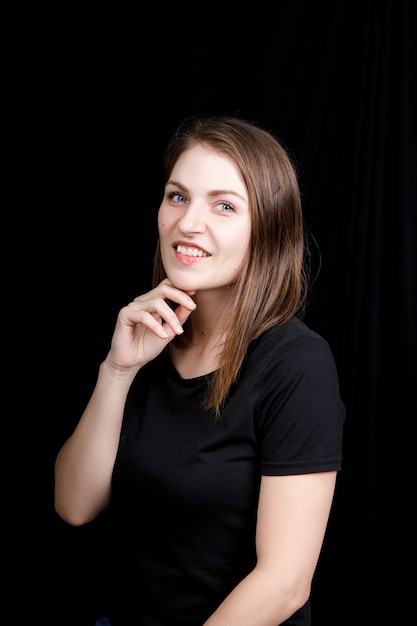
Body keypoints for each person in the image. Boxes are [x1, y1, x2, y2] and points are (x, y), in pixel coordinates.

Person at [54, 114, 345, 626]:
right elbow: (74, 505)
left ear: (268, 230)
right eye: (178, 196)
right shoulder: (147, 338)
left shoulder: (297, 365)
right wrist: (117, 370)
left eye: (225, 206)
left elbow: (284, 584)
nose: (188, 223)